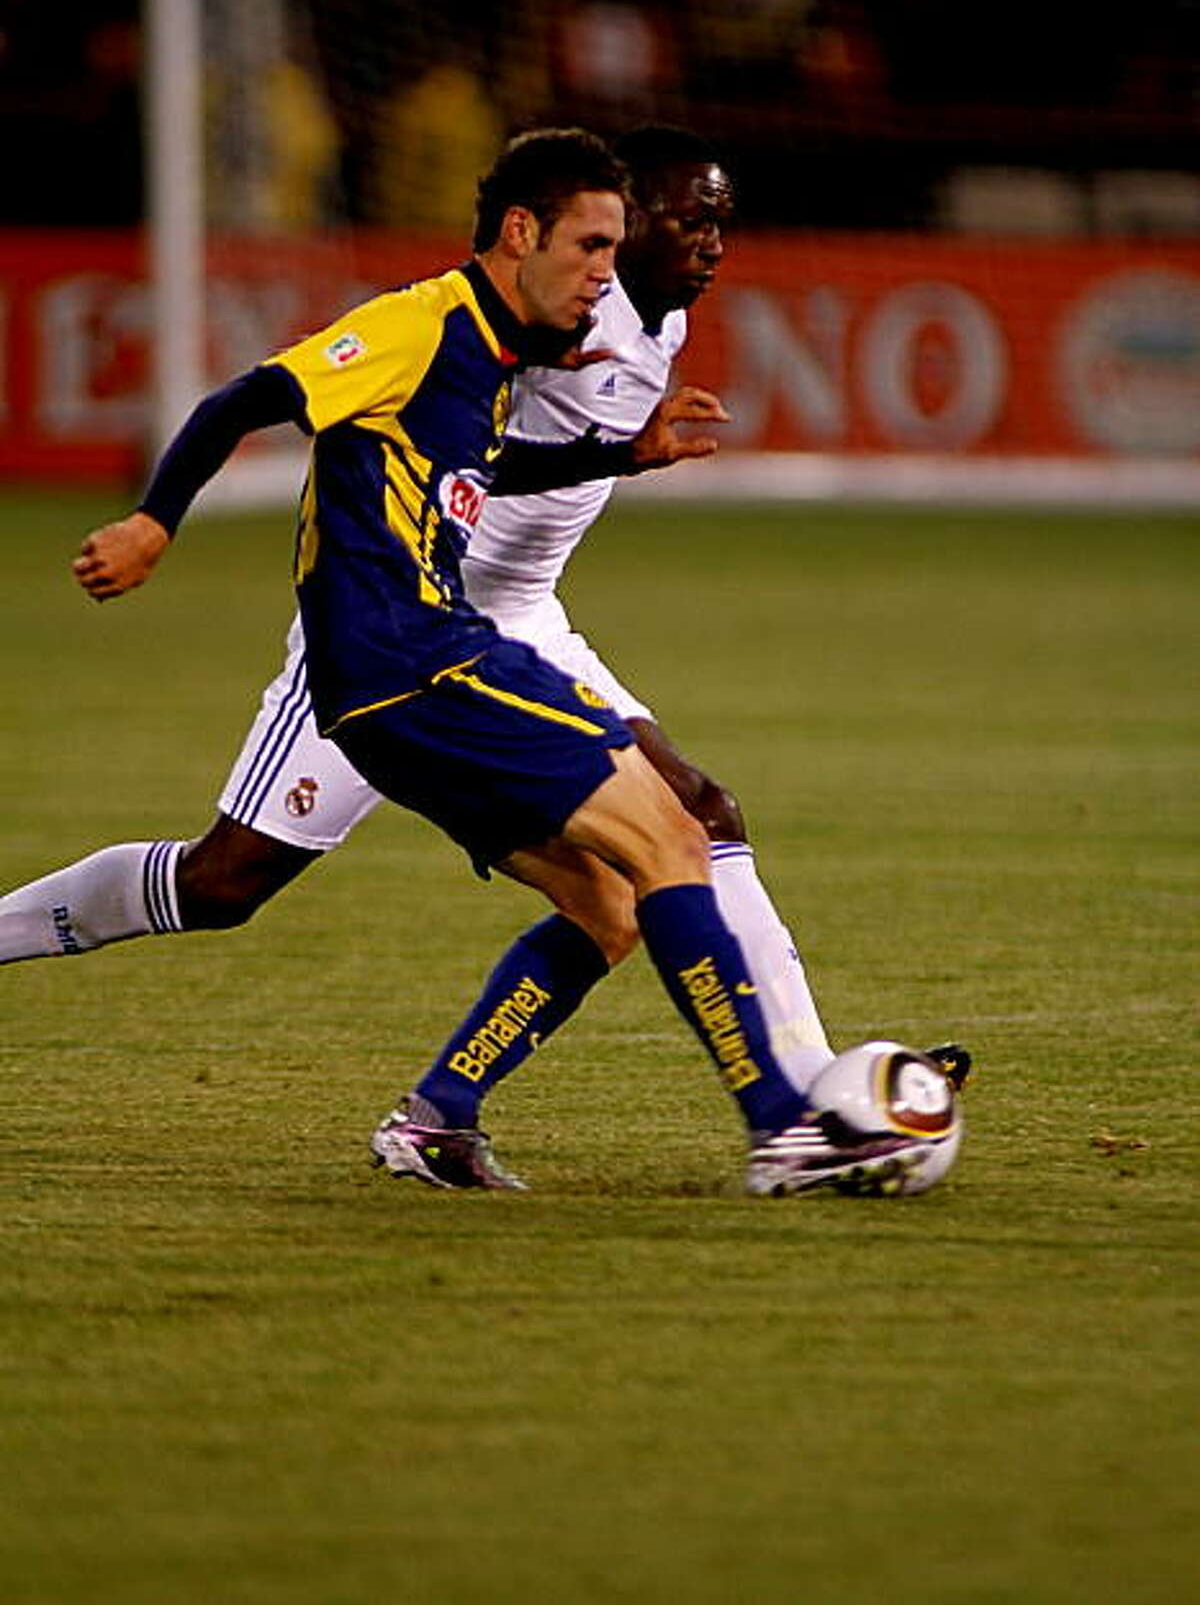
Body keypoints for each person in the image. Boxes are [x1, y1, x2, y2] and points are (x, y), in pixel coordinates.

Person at [4, 127, 953, 1197]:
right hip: (411, 651)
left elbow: (481, 456)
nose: (703, 245)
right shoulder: (437, 324)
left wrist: (618, 452)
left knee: (644, 870)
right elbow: (253, 398)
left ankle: (454, 1114)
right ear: (536, 231)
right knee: (228, 881)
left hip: (495, 637)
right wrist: (154, 521)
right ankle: (789, 1123)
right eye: (646, 227)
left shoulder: (571, 331)